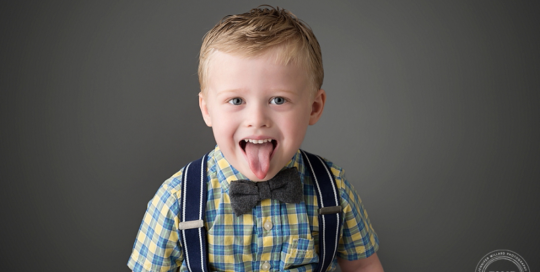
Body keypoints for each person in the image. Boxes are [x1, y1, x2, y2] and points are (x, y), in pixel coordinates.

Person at [128, 5, 383, 272]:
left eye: (278, 100)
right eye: (236, 100)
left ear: (314, 107)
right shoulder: (177, 200)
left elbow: (364, 266)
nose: (257, 119)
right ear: (207, 110)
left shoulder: (333, 189)